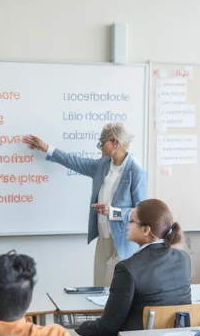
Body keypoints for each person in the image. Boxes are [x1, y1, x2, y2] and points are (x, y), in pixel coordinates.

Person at [76, 199, 191, 336]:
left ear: (147, 230)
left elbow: (109, 326)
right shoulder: (183, 259)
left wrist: (82, 327)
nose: (126, 225)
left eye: (131, 222)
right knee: (137, 331)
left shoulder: (127, 269)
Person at [23, 123, 147, 287]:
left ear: (115, 143)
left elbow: (140, 212)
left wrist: (113, 212)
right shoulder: (103, 165)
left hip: (123, 241)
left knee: (117, 288)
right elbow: (73, 161)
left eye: (102, 142)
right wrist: (47, 148)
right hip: (104, 235)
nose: (100, 146)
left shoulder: (136, 172)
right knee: (99, 285)